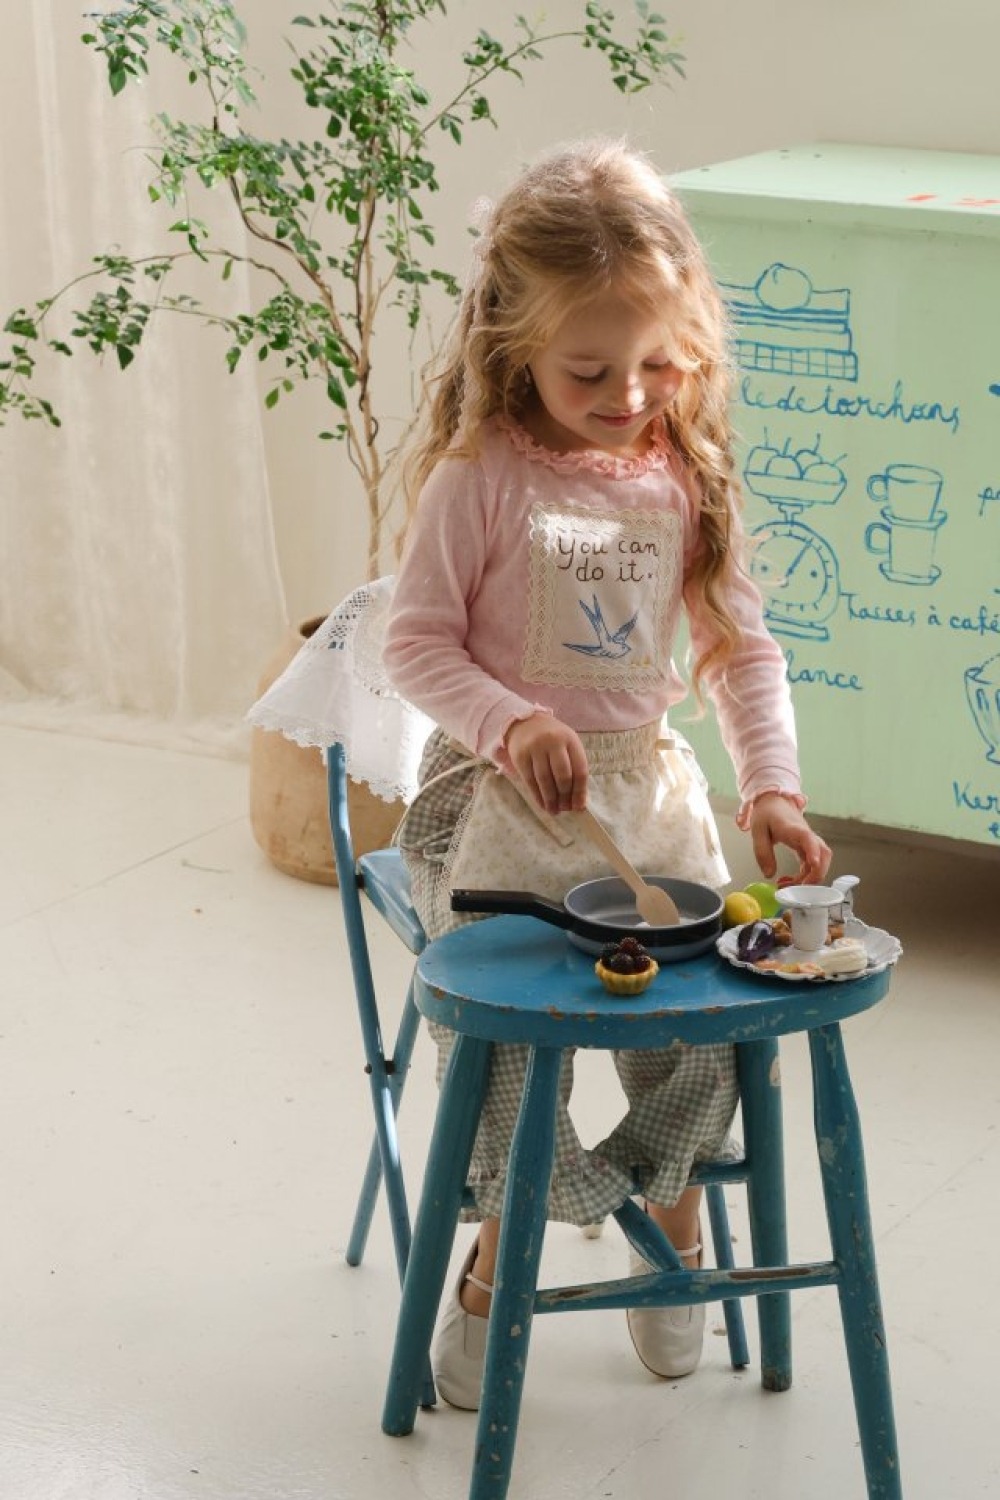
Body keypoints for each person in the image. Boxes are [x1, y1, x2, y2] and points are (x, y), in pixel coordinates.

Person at [381, 137, 832, 1410]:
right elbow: (413, 643)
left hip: (646, 797)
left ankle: (665, 1218)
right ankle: (501, 1251)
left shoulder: (683, 476)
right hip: (498, 803)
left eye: (657, 364)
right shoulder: (480, 477)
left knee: (699, 1016)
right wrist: (510, 718)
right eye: (589, 370)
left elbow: (739, 651)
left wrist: (770, 787)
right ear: (516, 343)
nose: (629, 394)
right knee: (506, 1039)